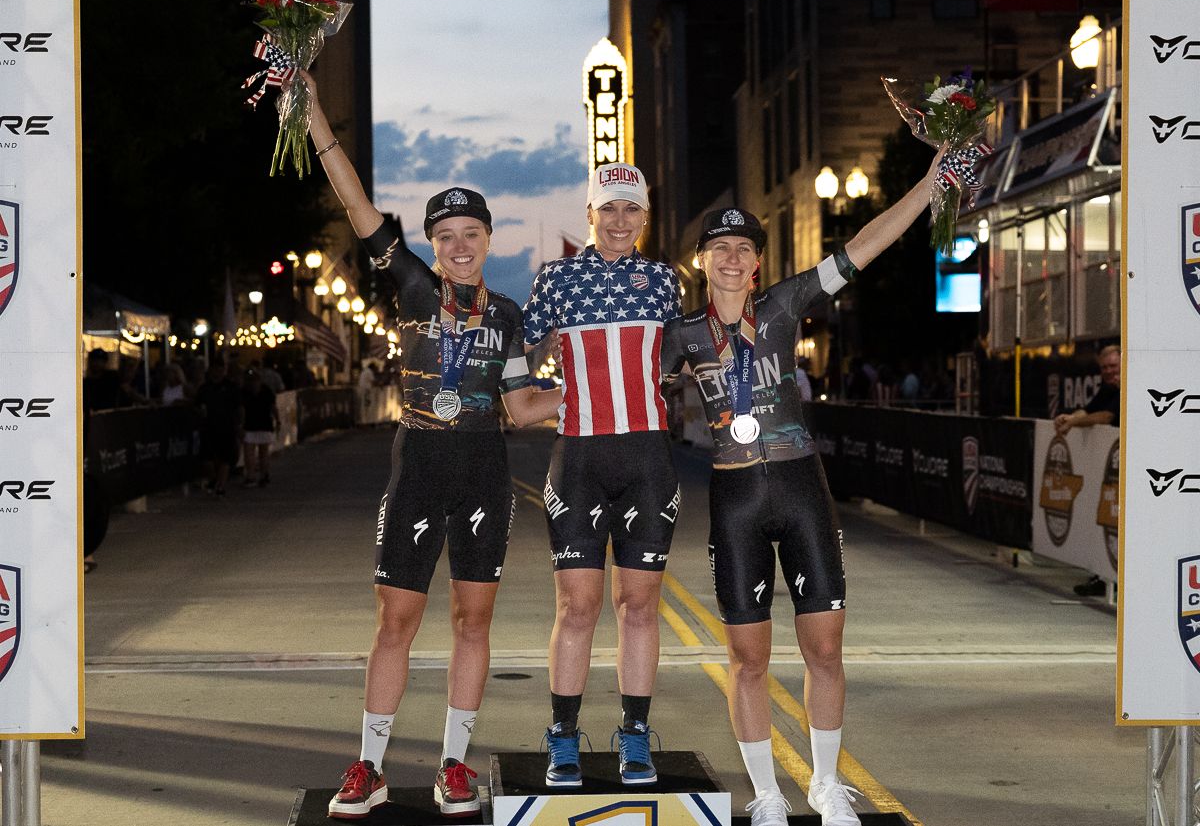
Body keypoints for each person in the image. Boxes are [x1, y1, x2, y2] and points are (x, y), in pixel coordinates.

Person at [296, 69, 563, 820]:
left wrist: (585, 391)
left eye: (469, 235)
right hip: (417, 464)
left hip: (482, 469)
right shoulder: (411, 284)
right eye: (444, 236)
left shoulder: (506, 315)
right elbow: (355, 202)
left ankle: (453, 764)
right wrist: (315, 112)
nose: (457, 246)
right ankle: (370, 766)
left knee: (472, 621)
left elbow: (521, 407)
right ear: (433, 244)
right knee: (396, 621)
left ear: (487, 238)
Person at [660, 150, 944, 826]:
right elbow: (618, 382)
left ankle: (824, 783)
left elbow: (863, 247)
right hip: (734, 498)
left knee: (824, 646)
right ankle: (765, 794)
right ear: (703, 260)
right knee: (748, 657)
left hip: (800, 486)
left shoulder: (786, 302)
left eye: (743, 248)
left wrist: (928, 186)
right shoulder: (678, 335)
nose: (731, 258)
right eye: (719, 248)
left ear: (757, 260)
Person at [523, 162, 682, 787]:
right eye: (608, 208)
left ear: (644, 217)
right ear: (590, 212)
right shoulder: (556, 279)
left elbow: (681, 357)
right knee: (577, 604)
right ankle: (563, 734)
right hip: (579, 457)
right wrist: (520, 398)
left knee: (639, 605)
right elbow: (520, 347)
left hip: (648, 457)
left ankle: (634, 735)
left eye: (632, 210)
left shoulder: (663, 281)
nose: (620, 220)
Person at [1054, 344, 1120, 596]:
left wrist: (1074, 421)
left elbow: (1105, 417)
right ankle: (1103, 577)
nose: (1109, 372)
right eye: (1104, 368)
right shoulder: (1109, 387)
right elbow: (1090, 409)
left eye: (1113, 366)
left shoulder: (1132, 382)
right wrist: (1071, 417)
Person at [195, 359, 242, 497]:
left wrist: (239, 425)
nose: (218, 372)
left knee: (225, 458)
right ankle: (214, 479)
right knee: (207, 459)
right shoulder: (204, 388)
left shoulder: (231, 387)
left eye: (220, 369)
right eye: (215, 369)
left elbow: (239, 407)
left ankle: (221, 486)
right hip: (208, 427)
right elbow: (198, 405)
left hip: (227, 427)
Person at [241, 369, 279, 486]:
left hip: (263, 425)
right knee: (250, 453)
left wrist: (278, 420)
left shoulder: (266, 391)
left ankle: (263, 474)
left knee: (262, 452)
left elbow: (273, 407)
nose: (253, 382)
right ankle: (252, 475)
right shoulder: (244, 392)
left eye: (255, 380)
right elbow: (241, 409)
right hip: (250, 425)